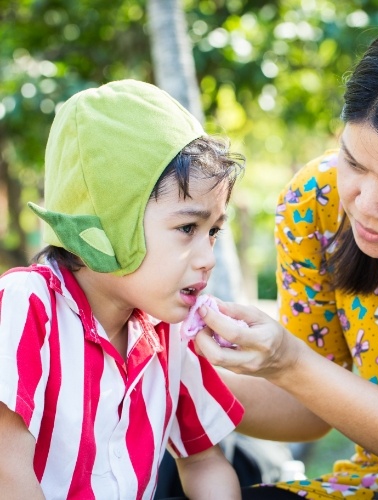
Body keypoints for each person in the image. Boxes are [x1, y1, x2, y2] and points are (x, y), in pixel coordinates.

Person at [194, 10, 378, 499]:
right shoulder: (317, 203)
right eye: (353, 162)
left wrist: (291, 363)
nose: (364, 203)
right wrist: (172, 375)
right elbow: (312, 408)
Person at [0, 79, 247, 499]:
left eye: (213, 232)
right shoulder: (28, 305)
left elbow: (204, 460)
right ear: (108, 224)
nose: (208, 257)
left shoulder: (171, 334)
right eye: (187, 228)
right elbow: (7, 470)